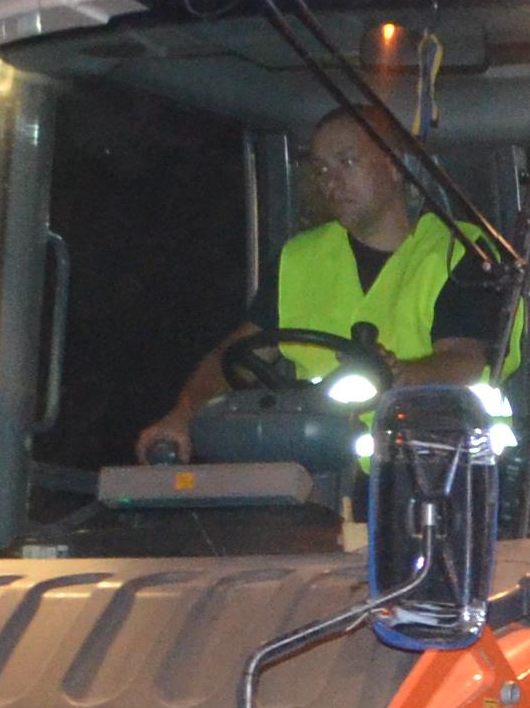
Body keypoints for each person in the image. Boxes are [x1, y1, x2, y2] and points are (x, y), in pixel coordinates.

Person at [141, 106, 505, 459]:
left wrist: (398, 375)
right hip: (317, 468)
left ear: (394, 164)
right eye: (321, 170)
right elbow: (235, 357)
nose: (331, 182)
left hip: (436, 469)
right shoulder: (298, 259)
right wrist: (183, 415)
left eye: (347, 162)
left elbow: (463, 359)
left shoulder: (458, 251)